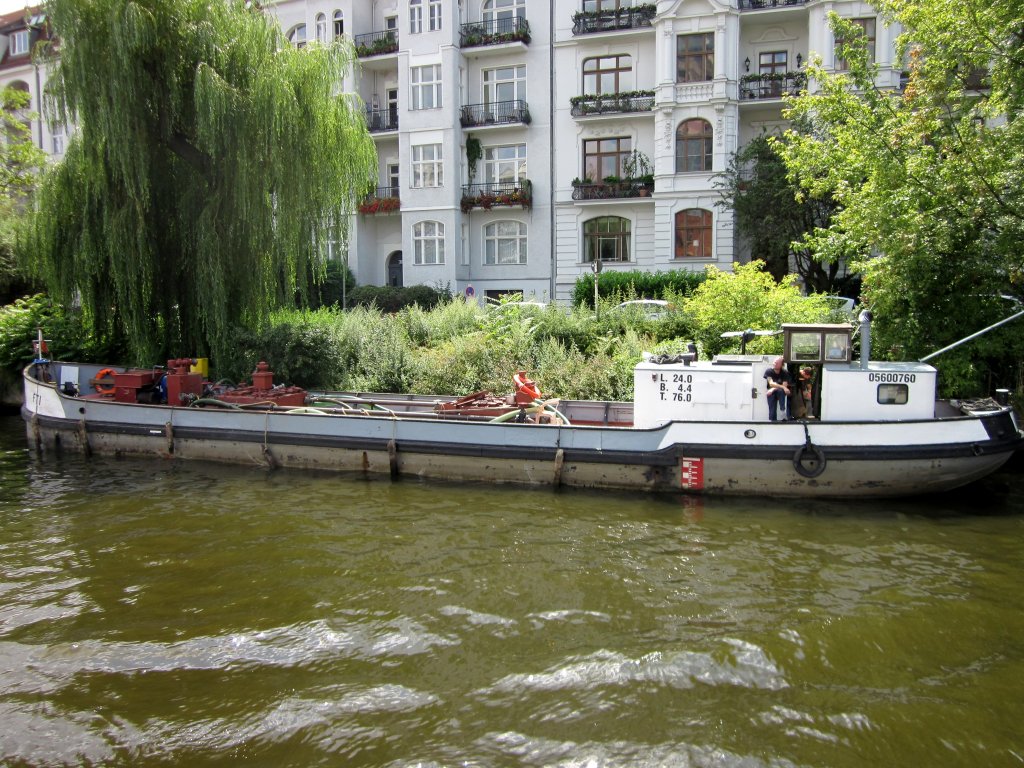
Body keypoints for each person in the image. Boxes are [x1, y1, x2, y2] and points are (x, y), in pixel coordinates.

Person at [763, 356, 792, 421]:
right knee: (772, 410)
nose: (775, 364)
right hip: (771, 393)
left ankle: (782, 411)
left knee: (781, 391)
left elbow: (784, 385)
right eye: (774, 362)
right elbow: (771, 383)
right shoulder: (769, 371)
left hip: (779, 392)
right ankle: (772, 421)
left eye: (777, 363)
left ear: (781, 365)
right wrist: (782, 387)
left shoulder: (785, 372)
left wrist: (773, 388)